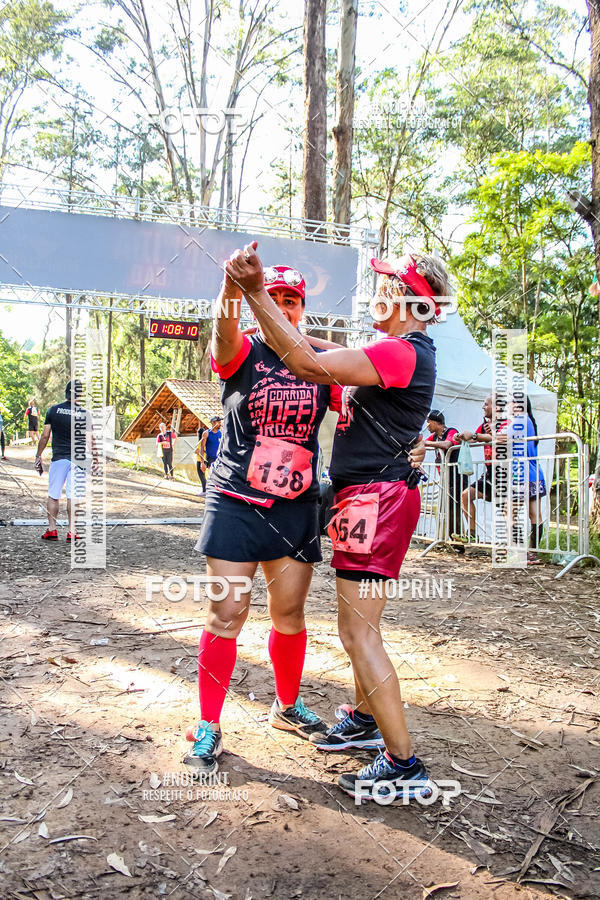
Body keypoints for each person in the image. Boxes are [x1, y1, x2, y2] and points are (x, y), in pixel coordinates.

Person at [228, 242, 450, 802]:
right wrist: (270, 321)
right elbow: (316, 345)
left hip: (377, 500)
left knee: (357, 631)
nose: (375, 290)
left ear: (404, 298)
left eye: (384, 284)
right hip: (364, 499)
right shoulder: (392, 348)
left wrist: (256, 295)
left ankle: (404, 765)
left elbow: (308, 360)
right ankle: (367, 718)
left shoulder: (403, 353)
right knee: (358, 625)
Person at [34, 380, 93, 541]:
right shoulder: (85, 414)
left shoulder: (53, 410)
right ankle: (72, 532)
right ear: (79, 394)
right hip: (78, 460)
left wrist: (38, 455)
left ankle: (52, 530)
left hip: (59, 458)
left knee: (54, 495)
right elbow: (89, 440)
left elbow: (45, 436)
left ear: (66, 393)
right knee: (73, 496)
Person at [459, 396, 499, 538]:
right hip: (489, 473)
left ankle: (511, 545)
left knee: (507, 509)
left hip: (505, 473)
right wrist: (461, 437)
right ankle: (471, 534)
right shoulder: (484, 425)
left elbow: (497, 438)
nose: (483, 407)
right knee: (465, 495)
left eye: (486, 404)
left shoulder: (506, 423)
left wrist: (477, 435)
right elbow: (474, 436)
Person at [424, 409, 464, 538]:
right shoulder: (435, 436)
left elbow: (447, 444)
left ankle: (456, 538)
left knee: (454, 507)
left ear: (436, 422)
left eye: (429, 422)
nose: (427, 425)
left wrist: (427, 443)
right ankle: (448, 537)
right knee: (446, 507)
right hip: (445, 477)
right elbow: (423, 442)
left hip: (457, 476)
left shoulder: (451, 431)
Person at [196, 416, 222, 492]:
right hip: (210, 458)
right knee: (213, 476)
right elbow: (202, 448)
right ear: (213, 423)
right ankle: (209, 492)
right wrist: (202, 462)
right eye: (218, 422)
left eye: (220, 422)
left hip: (219, 458)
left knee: (218, 477)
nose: (220, 424)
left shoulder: (221, 433)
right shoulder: (206, 433)